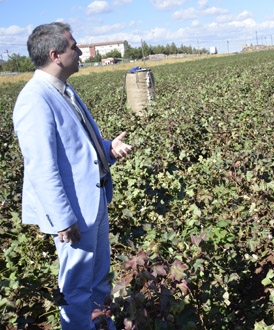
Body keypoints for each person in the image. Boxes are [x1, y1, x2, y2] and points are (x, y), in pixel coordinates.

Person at [12, 22, 133, 330]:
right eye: (75, 46)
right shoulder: (35, 99)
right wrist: (63, 218)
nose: (80, 52)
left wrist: (108, 149)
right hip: (73, 213)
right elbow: (41, 166)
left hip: (94, 201)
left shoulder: (65, 91)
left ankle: (97, 323)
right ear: (56, 55)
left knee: (98, 279)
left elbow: (78, 147)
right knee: (77, 286)